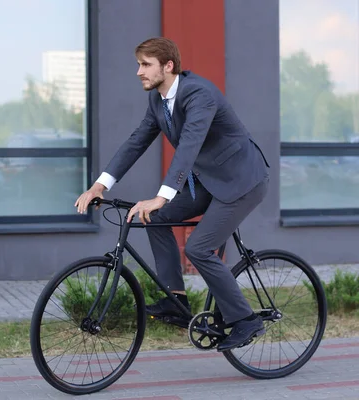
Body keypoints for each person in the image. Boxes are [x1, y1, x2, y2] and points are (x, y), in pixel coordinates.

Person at [74, 37, 270, 352]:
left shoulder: (199, 95)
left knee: (199, 248)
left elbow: (189, 147)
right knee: (155, 217)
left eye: (146, 64)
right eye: (138, 64)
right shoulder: (158, 100)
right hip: (210, 180)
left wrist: (162, 195)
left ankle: (246, 320)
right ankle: (175, 299)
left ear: (168, 66)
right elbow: (136, 141)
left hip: (241, 181)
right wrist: (100, 185)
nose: (139, 71)